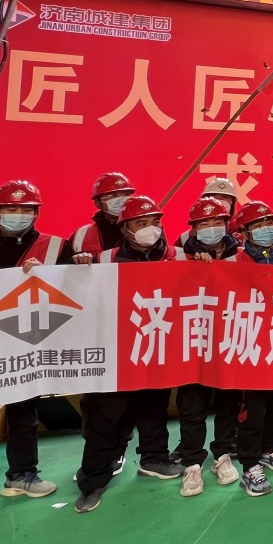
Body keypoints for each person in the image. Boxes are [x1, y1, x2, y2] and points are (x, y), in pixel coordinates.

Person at [0, 181, 69, 524]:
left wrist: (51, 275)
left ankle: (22, 476)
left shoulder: (56, 248)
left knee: (24, 415)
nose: (19, 215)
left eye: (26, 209)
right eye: (11, 209)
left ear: (36, 213)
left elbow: (77, 291)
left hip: (27, 347)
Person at [76, 196, 187, 513]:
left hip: (157, 346)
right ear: (125, 229)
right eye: (141, 223)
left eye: (155, 222)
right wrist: (78, 266)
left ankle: (154, 458)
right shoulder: (103, 260)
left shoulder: (177, 257)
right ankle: (93, 480)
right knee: (106, 418)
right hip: (116, 352)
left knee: (154, 407)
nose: (151, 229)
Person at [174, 198, 242, 497]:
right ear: (193, 228)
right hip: (194, 343)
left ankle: (222, 455)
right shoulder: (178, 258)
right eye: (204, 223)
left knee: (228, 403)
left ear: (227, 224)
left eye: (217, 222)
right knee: (192, 406)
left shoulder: (241, 257)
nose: (211, 227)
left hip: (229, 341)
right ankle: (192, 463)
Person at [232, 200, 273, 495]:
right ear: (245, 232)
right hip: (253, 343)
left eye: (269, 223)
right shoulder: (235, 260)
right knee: (254, 409)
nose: (265, 229)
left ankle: (267, 448)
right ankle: (249, 466)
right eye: (258, 225)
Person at [69, 172, 136, 263]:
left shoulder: (146, 229)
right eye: (113, 196)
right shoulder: (82, 234)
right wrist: (77, 259)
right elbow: (63, 267)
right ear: (97, 203)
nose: (122, 199)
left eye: (126, 194)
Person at [174, 177, 240, 246]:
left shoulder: (242, 231)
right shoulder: (185, 238)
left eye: (225, 197)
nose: (218, 201)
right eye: (213, 196)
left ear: (232, 203)